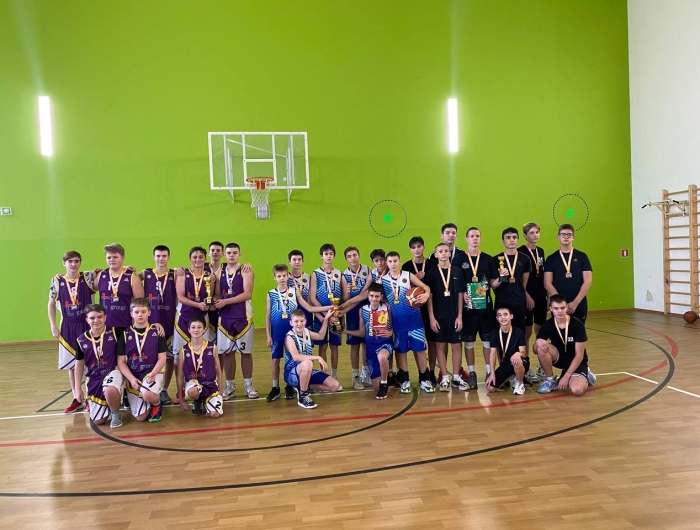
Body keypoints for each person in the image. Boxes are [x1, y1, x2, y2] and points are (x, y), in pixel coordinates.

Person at [265, 264, 331, 402]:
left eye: (284, 275)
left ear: (288, 276)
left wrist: (328, 308)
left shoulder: (294, 291)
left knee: (291, 358)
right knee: (275, 360)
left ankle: (291, 385)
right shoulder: (271, 294)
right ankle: (275, 387)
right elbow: (268, 315)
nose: (282, 278)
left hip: (293, 331)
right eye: (279, 276)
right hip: (277, 332)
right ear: (274, 277)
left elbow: (308, 307)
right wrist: (268, 335)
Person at [47, 250, 96, 413]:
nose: (73, 264)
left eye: (76, 261)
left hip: (86, 325)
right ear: (64, 263)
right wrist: (53, 325)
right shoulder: (56, 281)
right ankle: (76, 397)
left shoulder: (88, 277)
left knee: (89, 364)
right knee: (72, 365)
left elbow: (110, 271)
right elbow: (51, 304)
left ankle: (90, 397)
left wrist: (129, 268)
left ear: (80, 262)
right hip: (67, 326)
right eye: (70, 261)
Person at [382, 251, 435, 393]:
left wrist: (426, 295)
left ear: (399, 261)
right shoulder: (383, 280)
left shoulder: (408, 275)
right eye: (390, 261)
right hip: (398, 322)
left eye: (395, 261)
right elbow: (380, 297)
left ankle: (424, 379)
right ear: (387, 263)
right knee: (401, 351)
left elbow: (426, 287)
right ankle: (404, 379)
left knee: (420, 350)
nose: (393, 264)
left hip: (415, 320)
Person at [115, 298, 169, 422]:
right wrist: (131, 379)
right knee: (141, 417)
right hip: (135, 375)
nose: (140, 315)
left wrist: (153, 373)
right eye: (137, 312)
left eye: (143, 312)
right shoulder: (125, 334)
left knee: (147, 394)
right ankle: (145, 397)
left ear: (149, 312)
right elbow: (121, 362)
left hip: (153, 373)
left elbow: (162, 358)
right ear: (131, 314)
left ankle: (156, 403)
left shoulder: (157, 332)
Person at [215, 243, 257, 399]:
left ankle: (248, 385)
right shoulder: (219, 272)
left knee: (246, 352)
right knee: (228, 353)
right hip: (225, 318)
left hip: (243, 317)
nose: (231, 255)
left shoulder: (246, 270)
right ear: (224, 255)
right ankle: (230, 386)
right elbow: (217, 294)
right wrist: (215, 301)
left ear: (240, 254)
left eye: (234, 253)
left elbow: (247, 294)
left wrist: (225, 301)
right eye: (229, 253)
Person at [425, 243, 467, 391]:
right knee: (440, 347)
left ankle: (455, 376)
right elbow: (429, 297)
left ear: (450, 253)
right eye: (440, 251)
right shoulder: (431, 273)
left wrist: (460, 316)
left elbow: (461, 295)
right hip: (438, 317)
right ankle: (444, 377)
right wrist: (431, 317)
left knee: (457, 346)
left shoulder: (457, 271)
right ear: (435, 255)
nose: (443, 253)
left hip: (454, 316)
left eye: (446, 251)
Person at [460, 227, 498, 388]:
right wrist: (462, 293)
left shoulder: (488, 259)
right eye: (472, 236)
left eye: (477, 236)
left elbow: (493, 283)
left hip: (485, 308)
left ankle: (489, 371)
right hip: (467, 309)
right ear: (466, 239)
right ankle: (472, 373)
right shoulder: (459, 259)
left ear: (480, 239)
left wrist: (502, 277)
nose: (475, 238)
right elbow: (455, 282)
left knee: (487, 341)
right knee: (469, 342)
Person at [74, 304, 123, 427]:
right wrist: (77, 388)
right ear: (87, 320)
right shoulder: (81, 340)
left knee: (110, 389)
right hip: (94, 378)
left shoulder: (116, 332)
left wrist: (156, 325)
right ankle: (107, 404)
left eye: (100, 317)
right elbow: (79, 364)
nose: (96, 320)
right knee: (98, 421)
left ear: (105, 317)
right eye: (92, 318)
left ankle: (116, 413)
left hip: (113, 372)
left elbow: (137, 328)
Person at [173, 246, 216, 387]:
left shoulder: (210, 276)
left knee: (203, 353)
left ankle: (203, 385)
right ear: (190, 259)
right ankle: (181, 388)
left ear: (205, 258)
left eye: (201, 257)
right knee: (178, 357)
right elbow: (180, 297)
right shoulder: (182, 274)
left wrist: (210, 304)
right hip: (183, 318)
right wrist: (198, 305)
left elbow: (211, 297)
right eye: (195, 257)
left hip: (202, 320)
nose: (198, 259)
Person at [140, 245, 177, 404]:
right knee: (148, 357)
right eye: (158, 256)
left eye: (164, 256)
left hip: (169, 321)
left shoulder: (175, 274)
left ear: (169, 257)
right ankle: (146, 388)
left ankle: (164, 390)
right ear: (153, 257)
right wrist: (128, 268)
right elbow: (130, 277)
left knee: (169, 358)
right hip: (150, 323)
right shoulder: (146, 273)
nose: (161, 259)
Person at [534, 294, 593, 395]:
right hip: (559, 358)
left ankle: (584, 374)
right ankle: (551, 381)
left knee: (577, 390)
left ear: (567, 307)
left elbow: (579, 355)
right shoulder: (548, 325)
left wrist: (567, 376)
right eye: (556, 308)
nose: (559, 311)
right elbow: (535, 350)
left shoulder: (577, 325)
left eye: (562, 308)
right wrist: (538, 342)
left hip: (576, 361)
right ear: (551, 309)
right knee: (540, 348)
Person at [342, 282, 393, 399]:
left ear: (381, 297)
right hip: (370, 346)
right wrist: (344, 331)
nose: (374, 299)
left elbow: (393, 324)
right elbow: (362, 333)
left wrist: (392, 332)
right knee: (375, 386)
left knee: (382, 357)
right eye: (372, 296)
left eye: (377, 296)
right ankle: (381, 382)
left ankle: (384, 384)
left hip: (384, 343)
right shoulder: (363, 310)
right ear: (368, 296)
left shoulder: (386, 307)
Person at [284, 310, 341, 409]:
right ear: (291, 323)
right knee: (308, 363)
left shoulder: (306, 332)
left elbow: (321, 336)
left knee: (335, 385)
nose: (299, 324)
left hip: (307, 371)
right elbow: (296, 357)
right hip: (291, 374)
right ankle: (303, 396)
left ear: (305, 321)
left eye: (301, 321)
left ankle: (302, 387)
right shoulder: (290, 337)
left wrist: (326, 319)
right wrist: (318, 357)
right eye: (296, 321)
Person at [402, 236, 438, 385]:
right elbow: (404, 290)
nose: (416, 249)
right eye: (413, 247)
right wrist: (413, 281)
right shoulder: (406, 267)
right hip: (414, 311)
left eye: (419, 246)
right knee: (418, 344)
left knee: (432, 342)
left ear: (423, 247)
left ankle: (432, 372)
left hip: (432, 308)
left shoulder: (433, 264)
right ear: (410, 250)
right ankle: (422, 373)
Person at [543, 224, 593, 325]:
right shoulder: (551, 258)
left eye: (569, 234)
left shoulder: (582, 257)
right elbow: (547, 283)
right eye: (563, 234)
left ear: (573, 237)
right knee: (559, 332)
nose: (566, 237)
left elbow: (588, 281)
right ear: (558, 237)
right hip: (558, 306)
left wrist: (575, 303)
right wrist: (561, 304)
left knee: (578, 331)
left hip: (578, 303)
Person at [308, 243, 343, 383]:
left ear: (334, 256)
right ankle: (324, 376)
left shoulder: (339, 273)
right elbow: (312, 298)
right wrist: (324, 316)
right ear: (321, 256)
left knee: (334, 346)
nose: (329, 256)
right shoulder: (315, 274)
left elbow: (343, 297)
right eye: (326, 254)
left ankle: (334, 375)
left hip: (336, 316)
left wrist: (337, 314)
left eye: (331, 254)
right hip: (321, 317)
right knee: (322, 345)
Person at [176, 316, 224, 417]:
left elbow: (219, 370)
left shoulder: (212, 347)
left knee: (214, 414)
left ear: (204, 329)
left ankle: (206, 402)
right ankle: (197, 400)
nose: (196, 330)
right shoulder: (183, 350)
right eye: (193, 327)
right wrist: (181, 399)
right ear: (189, 330)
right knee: (193, 392)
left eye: (199, 327)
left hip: (210, 384)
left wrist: (221, 390)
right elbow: (179, 376)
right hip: (193, 383)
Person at [94, 243, 144, 337]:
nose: (111, 260)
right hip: (104, 326)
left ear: (123, 258)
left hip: (125, 325)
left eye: (115, 257)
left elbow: (140, 303)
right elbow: (86, 287)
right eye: (109, 257)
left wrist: (138, 326)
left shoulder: (132, 276)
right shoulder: (100, 275)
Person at [518, 222, 547, 383]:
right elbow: (520, 279)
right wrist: (526, 296)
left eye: (537, 232)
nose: (535, 235)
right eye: (531, 233)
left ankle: (542, 366)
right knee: (526, 333)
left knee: (541, 332)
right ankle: (526, 365)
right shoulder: (521, 252)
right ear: (525, 235)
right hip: (527, 298)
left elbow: (543, 275)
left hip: (541, 297)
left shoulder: (541, 251)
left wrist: (547, 296)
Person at [340, 247, 372, 390]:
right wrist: (347, 293)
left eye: (354, 255)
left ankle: (366, 373)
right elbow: (344, 299)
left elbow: (369, 291)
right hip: (352, 311)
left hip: (367, 309)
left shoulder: (368, 270)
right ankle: (355, 376)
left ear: (359, 256)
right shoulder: (344, 275)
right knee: (355, 344)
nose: (353, 258)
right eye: (349, 256)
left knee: (366, 342)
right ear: (346, 259)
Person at [492, 227, 531, 333]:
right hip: (502, 302)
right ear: (503, 240)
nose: (511, 240)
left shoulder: (525, 259)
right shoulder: (495, 259)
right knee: (501, 333)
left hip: (519, 302)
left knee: (519, 332)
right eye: (508, 237)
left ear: (518, 239)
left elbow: (523, 285)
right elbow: (493, 285)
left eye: (514, 237)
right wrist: (501, 277)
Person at [485, 306, 529, 395]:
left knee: (517, 360)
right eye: (500, 315)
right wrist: (492, 373)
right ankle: (513, 377)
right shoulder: (494, 334)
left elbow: (524, 353)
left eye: (505, 314)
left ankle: (519, 383)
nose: (503, 317)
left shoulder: (518, 332)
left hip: (521, 362)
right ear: (497, 318)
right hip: (506, 364)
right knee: (490, 387)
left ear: (511, 316)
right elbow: (492, 354)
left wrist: (518, 354)